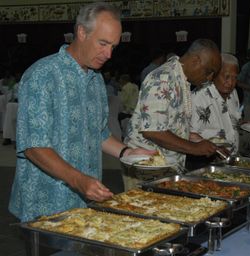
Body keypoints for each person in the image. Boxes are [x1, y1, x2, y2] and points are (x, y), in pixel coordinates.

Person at [8, 2, 155, 222]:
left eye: (113, 47)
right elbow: (33, 146)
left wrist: (126, 153)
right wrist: (78, 181)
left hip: (85, 203)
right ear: (81, 32)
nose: (108, 54)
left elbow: (99, 133)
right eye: (103, 43)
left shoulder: (95, 80)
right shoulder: (42, 75)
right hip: (45, 206)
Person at [123, 39, 221, 187]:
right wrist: (194, 148)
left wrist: (191, 136)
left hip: (165, 168)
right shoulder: (162, 78)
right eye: (209, 72)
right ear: (195, 60)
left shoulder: (181, 79)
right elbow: (153, 131)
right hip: (147, 168)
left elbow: (168, 123)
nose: (209, 79)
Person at [190, 53, 241, 153]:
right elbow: (189, 134)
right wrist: (216, 150)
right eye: (226, 77)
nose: (230, 83)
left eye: (234, 78)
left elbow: (231, 121)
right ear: (214, 75)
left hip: (232, 158)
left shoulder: (233, 93)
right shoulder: (199, 96)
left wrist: (242, 123)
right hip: (208, 161)